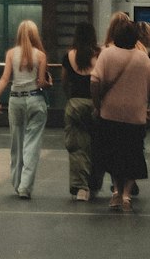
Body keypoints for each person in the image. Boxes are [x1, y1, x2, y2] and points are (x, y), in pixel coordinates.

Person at [90, 13, 150, 212]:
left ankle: (116, 191)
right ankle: (126, 195)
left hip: (110, 113)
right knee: (133, 154)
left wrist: (98, 104)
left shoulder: (107, 54)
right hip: (136, 114)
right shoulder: (143, 58)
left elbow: (95, 81)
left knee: (113, 153)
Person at [0, 18, 50, 199]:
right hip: (34, 99)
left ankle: (17, 183)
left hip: (15, 100)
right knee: (32, 144)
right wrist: (49, 83)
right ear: (34, 35)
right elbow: (41, 83)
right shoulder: (40, 55)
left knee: (16, 143)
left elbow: (4, 79)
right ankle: (25, 186)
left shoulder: (10, 54)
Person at [61, 21, 100, 199]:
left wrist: (70, 98)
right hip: (95, 106)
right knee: (96, 145)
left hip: (75, 105)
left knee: (77, 147)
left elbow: (64, 82)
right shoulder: (99, 55)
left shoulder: (69, 56)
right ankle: (94, 184)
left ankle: (80, 188)